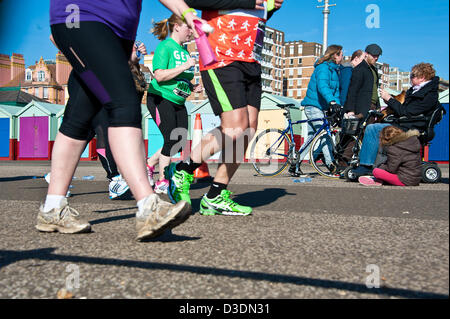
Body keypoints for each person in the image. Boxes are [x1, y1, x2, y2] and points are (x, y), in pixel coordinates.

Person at [37, 0, 203, 241]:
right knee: (124, 104)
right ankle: (148, 206)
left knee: (80, 117)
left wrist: (187, 13)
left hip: (116, 33)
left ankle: (52, 208)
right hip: (80, 17)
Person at [164, 0, 284, 216]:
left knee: (247, 130)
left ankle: (215, 196)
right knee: (235, 126)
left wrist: (269, 7)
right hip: (221, 55)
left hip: (251, 58)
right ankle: (182, 170)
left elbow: (250, 15)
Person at [351, 62, 440, 178]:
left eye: (412, 76)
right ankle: (374, 163)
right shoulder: (418, 91)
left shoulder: (428, 95)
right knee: (377, 126)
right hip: (406, 124)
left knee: (372, 129)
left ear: (422, 77)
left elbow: (406, 112)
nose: (410, 78)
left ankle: (366, 165)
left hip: (411, 128)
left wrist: (389, 99)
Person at [146, 15, 203, 195]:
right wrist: (185, 65)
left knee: (180, 141)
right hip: (160, 98)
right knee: (171, 138)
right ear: (177, 27)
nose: (192, 33)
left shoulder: (184, 51)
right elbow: (160, 75)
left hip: (179, 101)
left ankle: (149, 163)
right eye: (189, 28)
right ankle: (162, 180)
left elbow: (180, 78)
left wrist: (193, 87)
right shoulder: (165, 46)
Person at [292, 44, 344, 177]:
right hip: (313, 105)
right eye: (341, 54)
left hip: (321, 107)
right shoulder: (323, 68)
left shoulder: (335, 71)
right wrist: (331, 101)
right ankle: (331, 164)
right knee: (324, 134)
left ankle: (295, 163)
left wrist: (337, 106)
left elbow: (336, 92)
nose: (343, 57)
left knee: (311, 138)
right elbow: (323, 86)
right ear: (334, 55)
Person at [344, 44, 383, 119]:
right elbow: (352, 91)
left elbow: (375, 89)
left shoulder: (374, 70)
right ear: (366, 54)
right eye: (374, 55)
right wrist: (351, 110)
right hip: (361, 109)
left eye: (377, 56)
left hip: (372, 108)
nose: (376, 58)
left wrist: (378, 106)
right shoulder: (359, 69)